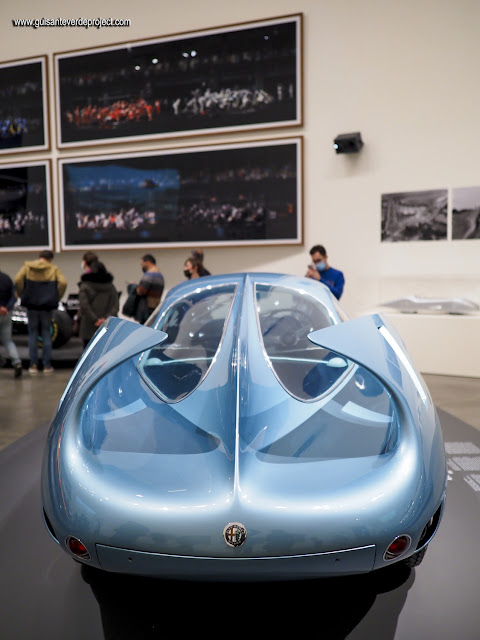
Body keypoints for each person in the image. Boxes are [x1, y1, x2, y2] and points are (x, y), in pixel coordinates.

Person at [14, 250, 67, 375]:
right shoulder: (53, 269)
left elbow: (17, 279)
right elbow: (63, 283)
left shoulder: (28, 267)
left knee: (32, 333)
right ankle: (47, 365)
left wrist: (22, 294)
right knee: (46, 333)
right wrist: (56, 296)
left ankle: (33, 365)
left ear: (40, 257)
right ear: (50, 259)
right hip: (47, 305)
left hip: (31, 304)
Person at [78, 260, 119, 348]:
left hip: (88, 325)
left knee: (88, 353)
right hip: (108, 325)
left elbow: (84, 305)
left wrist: (95, 319)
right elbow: (115, 305)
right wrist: (105, 319)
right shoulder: (111, 287)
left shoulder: (85, 286)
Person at [0, 269, 22, 378]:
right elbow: (14, 296)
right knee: (8, 341)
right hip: (7, 314)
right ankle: (16, 362)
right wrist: (6, 308)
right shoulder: (7, 278)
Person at [136, 254, 165, 323]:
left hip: (147, 308)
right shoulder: (160, 275)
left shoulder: (149, 275)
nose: (142, 266)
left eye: (142, 264)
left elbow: (141, 291)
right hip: (155, 306)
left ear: (148, 262)